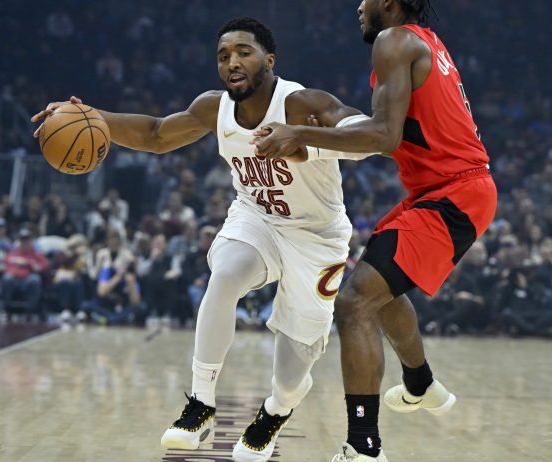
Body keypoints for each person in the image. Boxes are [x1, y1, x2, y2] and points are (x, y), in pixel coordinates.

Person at [32, 17, 371, 462]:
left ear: (269, 60)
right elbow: (156, 135)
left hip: (317, 236)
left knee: (294, 368)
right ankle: (201, 403)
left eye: (244, 52)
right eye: (223, 55)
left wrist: (304, 136)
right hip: (257, 219)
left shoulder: (303, 102)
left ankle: (273, 413)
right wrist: (92, 118)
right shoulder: (215, 108)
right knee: (225, 274)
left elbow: (367, 137)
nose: (232, 61)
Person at [254, 1, 497, 460]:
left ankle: (364, 449)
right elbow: (398, 138)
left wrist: (301, 135)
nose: (358, 6)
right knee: (377, 287)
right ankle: (421, 383)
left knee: (354, 301)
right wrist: (318, 136)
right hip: (444, 190)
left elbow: (383, 137)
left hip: (454, 193)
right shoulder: (424, 41)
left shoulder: (394, 40)